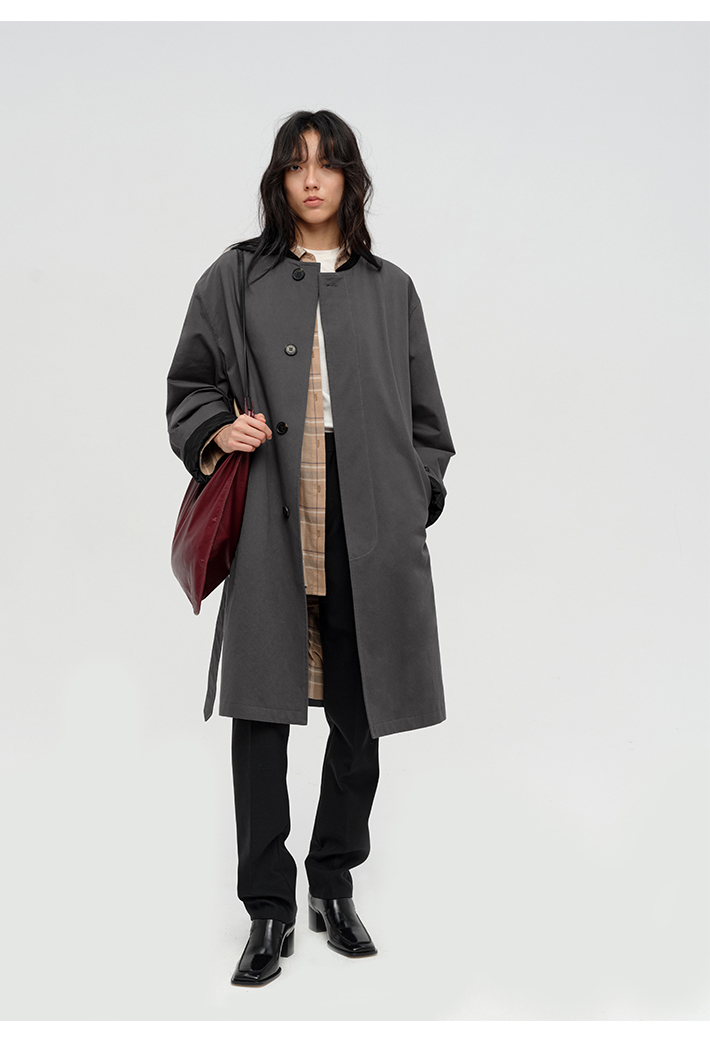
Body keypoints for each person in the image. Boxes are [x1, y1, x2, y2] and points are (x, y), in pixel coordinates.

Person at [166, 110, 455, 986]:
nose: (313, 180)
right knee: (261, 715)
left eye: (328, 165)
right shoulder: (236, 276)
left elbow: (428, 423)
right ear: (279, 181)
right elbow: (190, 383)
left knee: (362, 712)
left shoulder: (392, 288)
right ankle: (268, 906)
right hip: (271, 515)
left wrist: (412, 497)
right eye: (297, 165)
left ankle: (332, 880)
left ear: (351, 178)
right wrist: (220, 430)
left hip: (368, 523)